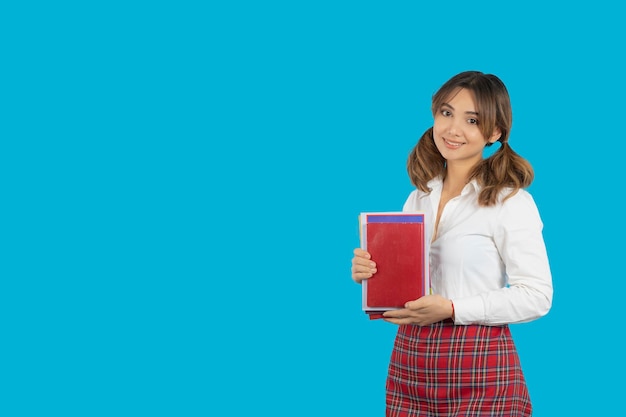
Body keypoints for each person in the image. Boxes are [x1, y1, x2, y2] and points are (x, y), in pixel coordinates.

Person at [351, 70, 553, 416]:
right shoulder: (418, 197)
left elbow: (537, 296)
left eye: (471, 120)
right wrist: (372, 275)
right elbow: (410, 287)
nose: (453, 129)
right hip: (411, 360)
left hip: (480, 364)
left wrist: (453, 309)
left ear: (495, 132)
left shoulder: (511, 202)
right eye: (446, 113)